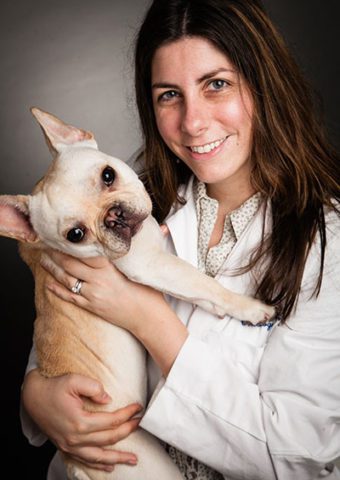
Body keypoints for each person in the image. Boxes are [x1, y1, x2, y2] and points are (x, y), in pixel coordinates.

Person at [21, 0, 340, 479]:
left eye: (217, 84)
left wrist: (147, 318)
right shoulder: (129, 206)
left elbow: (296, 459)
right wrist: (36, 395)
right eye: (169, 94)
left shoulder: (326, 240)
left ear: (264, 84)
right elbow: (63, 324)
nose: (193, 122)